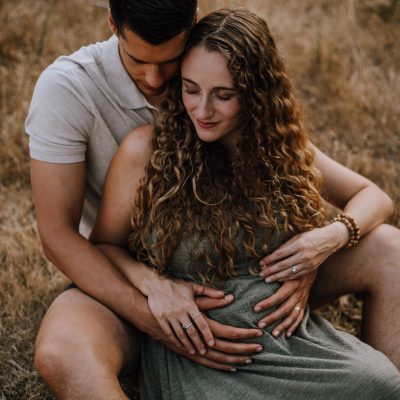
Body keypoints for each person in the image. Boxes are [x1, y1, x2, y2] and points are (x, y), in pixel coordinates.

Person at [24, 0, 400, 398]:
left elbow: (368, 195)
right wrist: (155, 305)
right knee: (62, 352)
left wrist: (324, 241)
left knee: (390, 261)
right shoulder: (80, 97)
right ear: (112, 24)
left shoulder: (258, 122)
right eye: (189, 89)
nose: (154, 80)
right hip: (133, 277)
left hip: (257, 288)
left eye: (171, 63)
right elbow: (59, 235)